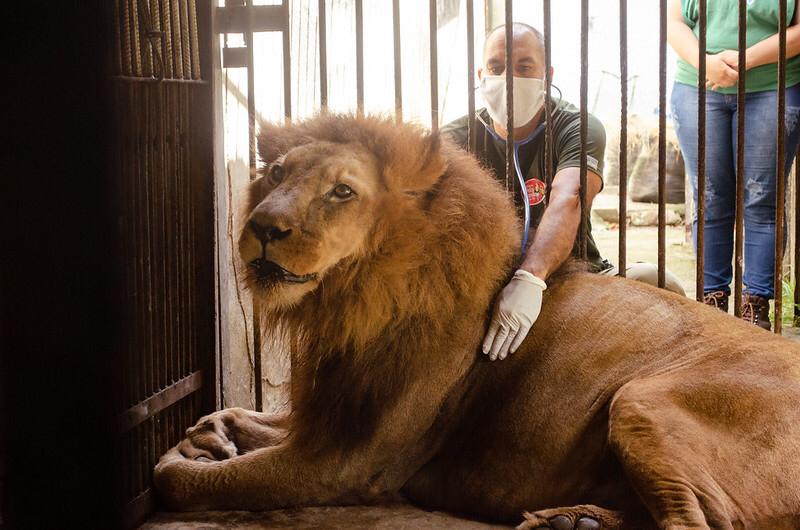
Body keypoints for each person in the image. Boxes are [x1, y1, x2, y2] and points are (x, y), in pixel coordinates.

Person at [442, 23, 686, 362]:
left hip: (572, 273)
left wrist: (530, 278)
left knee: (659, 282)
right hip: (487, 283)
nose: (509, 79)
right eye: (496, 68)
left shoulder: (577, 126)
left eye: (524, 67)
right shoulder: (454, 139)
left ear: (547, 74)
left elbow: (570, 196)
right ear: (481, 75)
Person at [667, 0, 800, 330]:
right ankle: (711, 303)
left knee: (762, 201)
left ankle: (755, 308)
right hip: (698, 85)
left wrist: (744, 60)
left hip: (773, 87)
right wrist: (706, 64)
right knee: (709, 199)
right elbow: (672, 22)